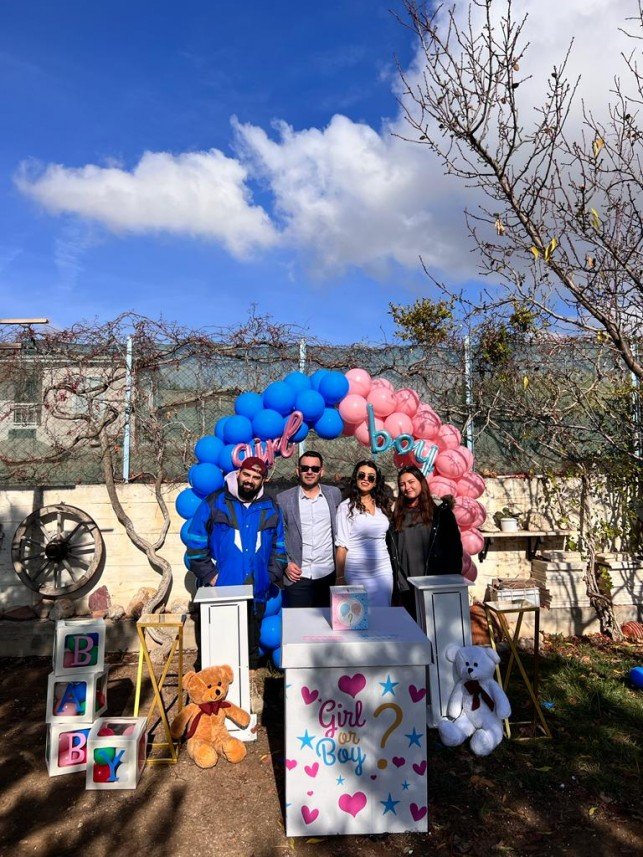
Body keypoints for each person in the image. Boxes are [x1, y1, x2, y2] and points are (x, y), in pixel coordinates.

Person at [185, 456, 287, 666]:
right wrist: (210, 575)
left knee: (248, 655)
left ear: (263, 480)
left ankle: (245, 684)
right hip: (221, 590)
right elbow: (195, 542)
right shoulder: (215, 502)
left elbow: (280, 547)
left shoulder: (271, 507)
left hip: (256, 592)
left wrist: (269, 576)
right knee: (216, 651)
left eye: (256, 477)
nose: (249, 480)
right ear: (238, 474)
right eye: (246, 474)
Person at [388, 465, 463, 619]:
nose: (407, 487)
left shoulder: (441, 513)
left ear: (421, 482)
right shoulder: (396, 515)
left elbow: (455, 550)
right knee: (412, 627)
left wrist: (450, 582)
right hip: (406, 585)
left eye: (411, 482)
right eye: (402, 484)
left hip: (433, 583)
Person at [277, 450, 342, 608]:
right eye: (305, 468)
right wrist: (285, 563)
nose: (310, 472)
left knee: (327, 623)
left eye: (315, 468)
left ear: (321, 471)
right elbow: (277, 536)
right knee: (300, 622)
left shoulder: (334, 494)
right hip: (298, 576)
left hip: (328, 574)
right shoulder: (283, 499)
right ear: (297, 471)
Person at [335, 460, 394, 607]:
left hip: (383, 571)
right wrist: (340, 577)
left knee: (383, 613)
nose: (366, 479)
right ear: (355, 478)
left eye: (371, 477)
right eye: (362, 475)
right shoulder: (345, 507)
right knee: (358, 616)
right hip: (356, 571)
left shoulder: (382, 505)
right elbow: (341, 546)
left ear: (375, 482)